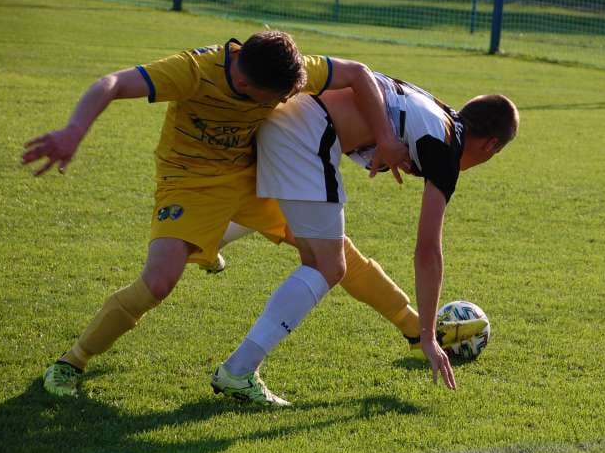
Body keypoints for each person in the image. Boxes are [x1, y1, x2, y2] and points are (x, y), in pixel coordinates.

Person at [22, 30, 417, 398]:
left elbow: (359, 73)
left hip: (252, 178)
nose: (280, 104)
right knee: (158, 282)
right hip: (189, 184)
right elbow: (111, 83)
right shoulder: (192, 71)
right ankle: (70, 362)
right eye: (273, 99)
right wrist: (74, 130)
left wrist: (385, 135)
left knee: (332, 254)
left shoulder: (278, 66)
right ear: (244, 84)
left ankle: (415, 329)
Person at [210, 73, 519, 406]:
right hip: (307, 135)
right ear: (490, 146)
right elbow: (428, 251)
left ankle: (202, 243)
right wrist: (430, 337)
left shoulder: (435, 110)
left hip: (286, 117)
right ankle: (239, 370)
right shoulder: (446, 150)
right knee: (329, 265)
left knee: (297, 226)